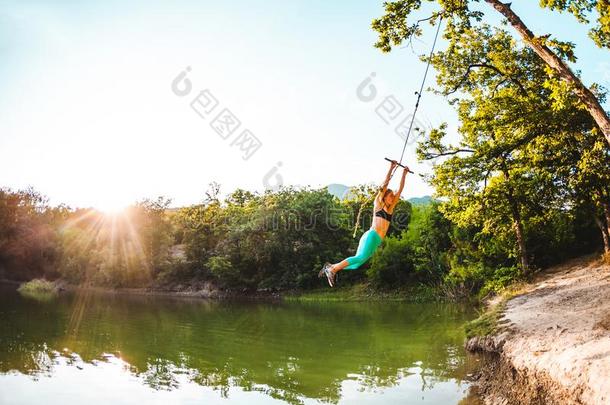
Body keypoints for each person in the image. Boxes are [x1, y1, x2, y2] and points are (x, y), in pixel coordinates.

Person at [319, 160, 409, 287]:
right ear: (384, 196)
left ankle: (331, 267)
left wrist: (404, 174)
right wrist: (391, 168)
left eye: (393, 197)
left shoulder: (390, 208)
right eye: (390, 196)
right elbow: (384, 186)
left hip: (376, 240)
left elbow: (399, 190)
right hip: (371, 236)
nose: (393, 198)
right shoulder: (379, 204)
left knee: (356, 264)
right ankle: (332, 270)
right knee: (360, 258)